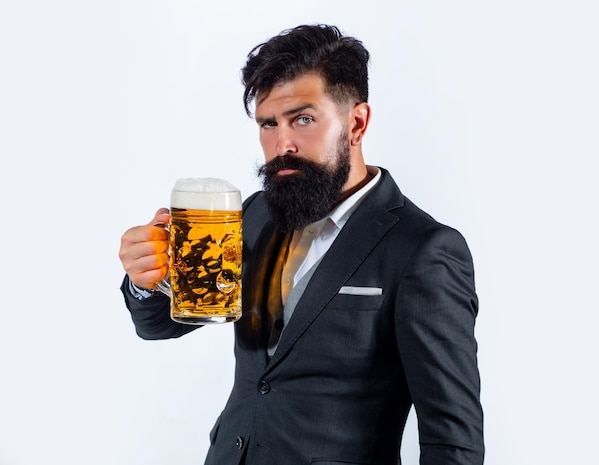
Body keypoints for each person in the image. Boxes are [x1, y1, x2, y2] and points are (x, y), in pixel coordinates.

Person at [119, 24, 484, 465]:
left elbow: (453, 442)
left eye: (303, 119)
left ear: (357, 123)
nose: (281, 143)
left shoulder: (424, 250)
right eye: (268, 124)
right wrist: (147, 280)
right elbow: (163, 324)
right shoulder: (254, 215)